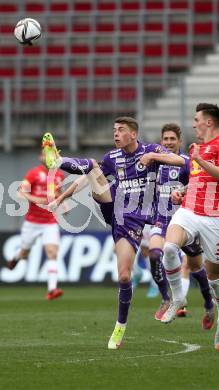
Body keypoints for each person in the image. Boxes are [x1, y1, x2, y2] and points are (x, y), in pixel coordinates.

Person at [41, 116, 186, 350]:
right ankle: (58, 161)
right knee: (92, 166)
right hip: (117, 214)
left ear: (133, 134)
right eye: (114, 130)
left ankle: (127, 322)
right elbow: (88, 177)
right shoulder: (112, 157)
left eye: (121, 130)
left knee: (125, 277)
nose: (115, 134)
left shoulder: (151, 150)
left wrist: (154, 156)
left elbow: (179, 160)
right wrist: (61, 197)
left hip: (143, 219)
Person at [161, 103, 219, 352]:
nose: (193, 124)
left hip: (215, 220)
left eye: (196, 120)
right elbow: (198, 182)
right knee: (169, 248)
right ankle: (178, 298)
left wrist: (199, 160)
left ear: (209, 122)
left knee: (215, 277)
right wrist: (181, 192)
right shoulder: (198, 149)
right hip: (190, 211)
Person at [149, 123, 214, 326]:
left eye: (172, 139)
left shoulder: (186, 162)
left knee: (195, 267)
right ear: (161, 142)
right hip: (161, 219)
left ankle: (209, 303)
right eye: (165, 139)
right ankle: (167, 299)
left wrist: (183, 192)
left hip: (185, 222)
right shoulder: (157, 164)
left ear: (179, 142)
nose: (168, 142)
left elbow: (197, 183)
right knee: (154, 254)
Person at [7, 150, 65, 300]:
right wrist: (36, 199)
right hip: (32, 222)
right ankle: (16, 258)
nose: (47, 157)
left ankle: (52, 289)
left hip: (50, 222)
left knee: (52, 253)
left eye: (50, 155)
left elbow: (59, 194)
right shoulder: (33, 174)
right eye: (44, 154)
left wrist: (63, 206)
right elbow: (20, 193)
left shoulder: (59, 175)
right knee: (25, 253)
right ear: (41, 157)